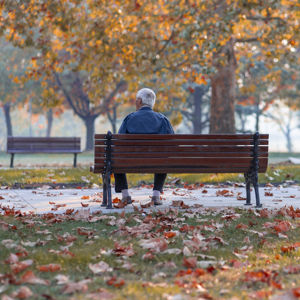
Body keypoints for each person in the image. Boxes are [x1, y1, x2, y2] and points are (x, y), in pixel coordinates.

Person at [114, 88, 174, 205]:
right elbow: (172, 143)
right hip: (157, 161)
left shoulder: (129, 118)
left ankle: (125, 195)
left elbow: (118, 144)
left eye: (136, 100)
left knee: (116, 158)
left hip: (130, 162)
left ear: (140, 101)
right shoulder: (162, 120)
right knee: (162, 158)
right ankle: (156, 195)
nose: (135, 102)